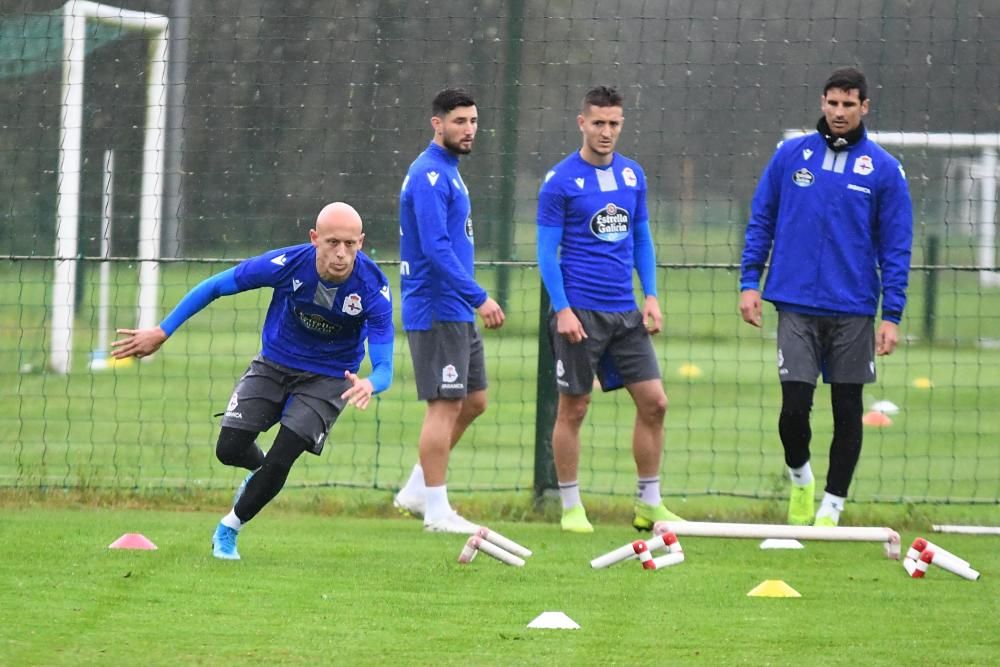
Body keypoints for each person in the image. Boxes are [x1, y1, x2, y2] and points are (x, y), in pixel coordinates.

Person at [111, 202, 394, 559]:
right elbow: (215, 286)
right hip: (275, 363)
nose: (341, 254)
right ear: (314, 239)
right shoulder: (286, 264)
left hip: (329, 378)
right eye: (332, 242)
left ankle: (228, 529)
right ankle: (261, 476)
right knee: (229, 449)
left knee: (282, 458)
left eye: (350, 244)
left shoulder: (373, 288)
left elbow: (386, 368)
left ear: (362, 243)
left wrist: (370, 383)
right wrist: (162, 331)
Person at [739, 67, 913, 527]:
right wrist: (749, 282)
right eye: (832, 103)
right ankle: (800, 479)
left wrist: (891, 314)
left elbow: (896, 248)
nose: (839, 112)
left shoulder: (884, 170)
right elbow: (762, 219)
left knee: (847, 409)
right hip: (794, 303)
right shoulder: (790, 155)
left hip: (853, 310)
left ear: (864, 108)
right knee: (794, 408)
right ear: (822, 102)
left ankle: (833, 506)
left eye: (848, 104)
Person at [536, 85, 683, 533]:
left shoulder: (633, 176)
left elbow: (641, 239)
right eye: (597, 123)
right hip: (580, 311)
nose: (606, 131)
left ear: (622, 124)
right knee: (574, 408)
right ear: (582, 123)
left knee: (655, 403)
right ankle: (571, 506)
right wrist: (562, 309)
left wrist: (651, 296)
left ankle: (648, 503)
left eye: (613, 123)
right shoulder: (560, 180)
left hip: (626, 313)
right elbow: (545, 252)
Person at [392, 88, 505, 534]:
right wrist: (480, 296)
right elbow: (436, 247)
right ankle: (437, 513)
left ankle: (419, 488)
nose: (469, 129)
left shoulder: (448, 172)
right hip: (438, 306)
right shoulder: (430, 176)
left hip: (454, 308)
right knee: (444, 405)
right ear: (436, 123)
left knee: (473, 401)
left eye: (474, 121)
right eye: (459, 121)